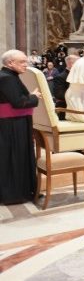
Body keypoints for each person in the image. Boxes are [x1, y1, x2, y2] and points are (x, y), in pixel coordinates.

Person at [0, 50, 41, 205]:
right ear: (10, 63)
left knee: (16, 157)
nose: (26, 65)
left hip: (13, 123)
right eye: (22, 62)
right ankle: (14, 195)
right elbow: (18, 103)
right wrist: (34, 97)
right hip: (12, 126)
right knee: (14, 158)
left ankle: (23, 191)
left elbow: (14, 99)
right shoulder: (7, 79)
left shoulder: (9, 76)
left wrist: (29, 97)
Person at [52, 55, 79, 121]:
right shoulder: (60, 77)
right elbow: (59, 94)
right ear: (72, 64)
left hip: (76, 108)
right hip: (64, 109)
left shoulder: (78, 76)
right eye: (78, 63)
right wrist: (78, 97)